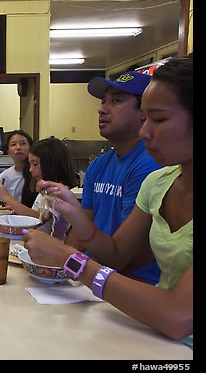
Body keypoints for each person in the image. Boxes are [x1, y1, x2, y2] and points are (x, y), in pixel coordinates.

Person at [23, 54, 193, 340]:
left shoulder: (146, 168)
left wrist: (70, 259)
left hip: (163, 325)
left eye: (159, 119)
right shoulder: (158, 182)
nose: (145, 131)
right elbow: (115, 252)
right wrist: (73, 211)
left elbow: (178, 317)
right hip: (152, 331)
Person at [65, 71, 163, 285]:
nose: (102, 109)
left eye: (116, 101)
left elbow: (126, 257)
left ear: (143, 113)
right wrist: (59, 265)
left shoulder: (150, 166)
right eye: (103, 102)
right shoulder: (100, 165)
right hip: (93, 274)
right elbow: (84, 224)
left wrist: (69, 263)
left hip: (131, 284)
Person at [0, 137, 78, 240]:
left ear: (52, 164)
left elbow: (38, 218)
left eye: (35, 164)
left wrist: (8, 198)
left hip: (49, 249)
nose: (30, 169)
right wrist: (15, 208)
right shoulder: (45, 192)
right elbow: (38, 213)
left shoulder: (60, 194)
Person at [0, 130, 37, 209]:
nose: (18, 147)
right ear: (8, 151)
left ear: (31, 147)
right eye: (13, 144)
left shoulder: (36, 174)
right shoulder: (5, 175)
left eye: (23, 143)